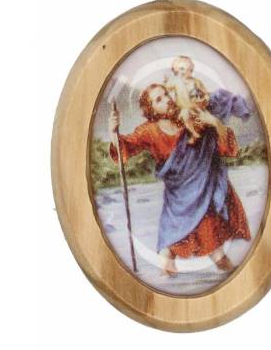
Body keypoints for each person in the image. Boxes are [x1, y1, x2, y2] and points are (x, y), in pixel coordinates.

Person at [108, 81, 251, 276]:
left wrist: (214, 123)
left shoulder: (188, 116)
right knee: (169, 251)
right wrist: (113, 132)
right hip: (177, 199)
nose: (167, 100)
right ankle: (163, 282)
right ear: (151, 108)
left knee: (215, 247)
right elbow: (125, 147)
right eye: (159, 99)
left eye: (166, 94)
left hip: (202, 191)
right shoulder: (149, 131)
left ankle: (226, 273)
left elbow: (219, 143)